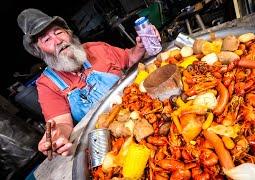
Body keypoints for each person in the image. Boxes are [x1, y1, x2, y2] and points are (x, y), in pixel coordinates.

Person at [17, 8, 161, 158]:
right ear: (40, 51)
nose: (58, 41)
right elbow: (62, 124)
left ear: (68, 33)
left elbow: (129, 58)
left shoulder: (95, 48)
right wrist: (58, 136)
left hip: (143, 108)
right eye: (47, 40)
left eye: (58, 32)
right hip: (109, 142)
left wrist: (140, 47)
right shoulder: (46, 84)